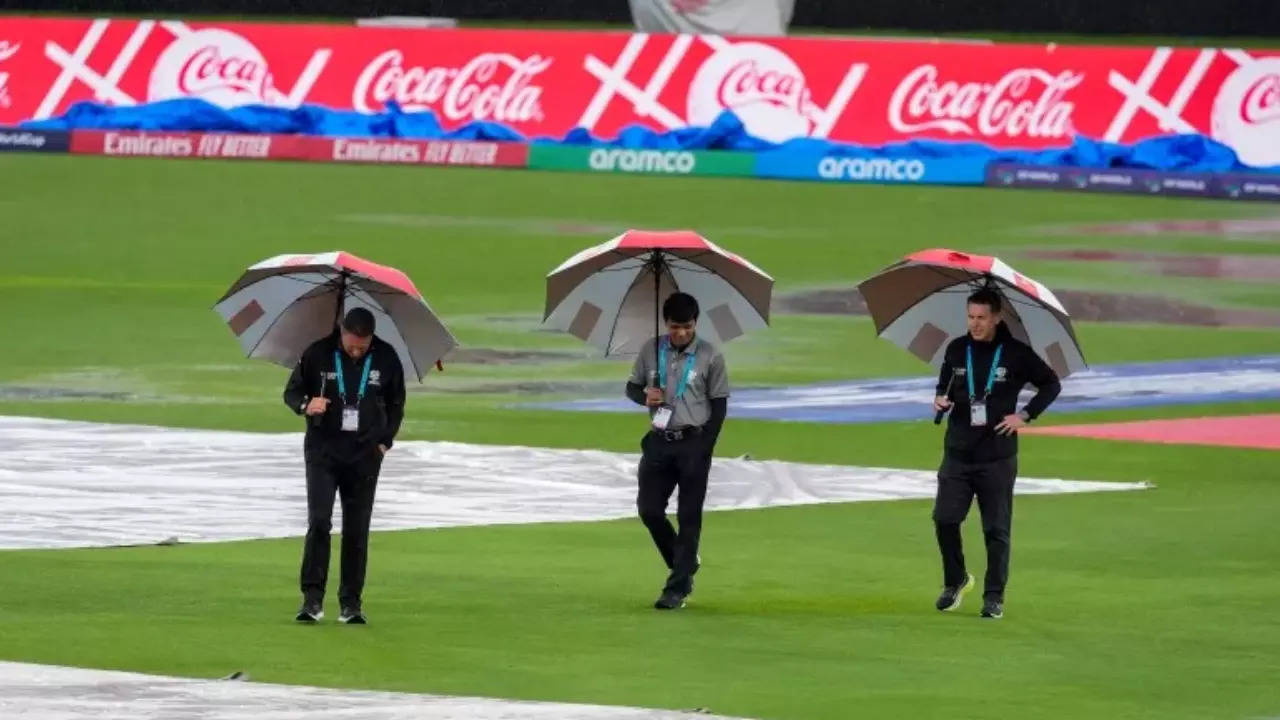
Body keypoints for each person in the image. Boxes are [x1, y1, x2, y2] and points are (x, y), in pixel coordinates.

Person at [931, 288, 1061, 620]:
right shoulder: (957, 349)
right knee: (944, 519)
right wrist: (939, 400)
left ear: (997, 317)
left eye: (981, 318)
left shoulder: (1016, 354)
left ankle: (994, 596)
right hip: (958, 452)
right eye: (970, 317)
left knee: (996, 530)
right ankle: (956, 580)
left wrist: (1026, 415)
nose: (975, 324)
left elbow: (1051, 384)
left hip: (997, 457)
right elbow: (945, 382)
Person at [283, 307, 406, 625]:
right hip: (323, 450)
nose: (356, 350)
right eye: (352, 343)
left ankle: (351, 603)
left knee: (357, 529)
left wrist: (385, 441)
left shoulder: (387, 358)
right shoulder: (318, 353)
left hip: (365, 454)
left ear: (371, 340)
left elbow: (396, 404)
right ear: (342, 332)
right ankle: (312, 600)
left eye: (362, 347)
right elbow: (291, 392)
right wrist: (306, 405)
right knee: (319, 522)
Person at [625, 292, 730, 610]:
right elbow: (631, 387)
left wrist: (705, 446)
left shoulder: (710, 356)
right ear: (666, 324)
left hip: (693, 441)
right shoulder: (651, 350)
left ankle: (677, 588)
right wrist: (645, 396)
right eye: (674, 327)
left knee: (689, 516)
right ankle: (684, 563)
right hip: (659, 439)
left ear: (695, 323)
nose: (680, 333)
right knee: (650, 510)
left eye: (686, 326)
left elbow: (719, 404)